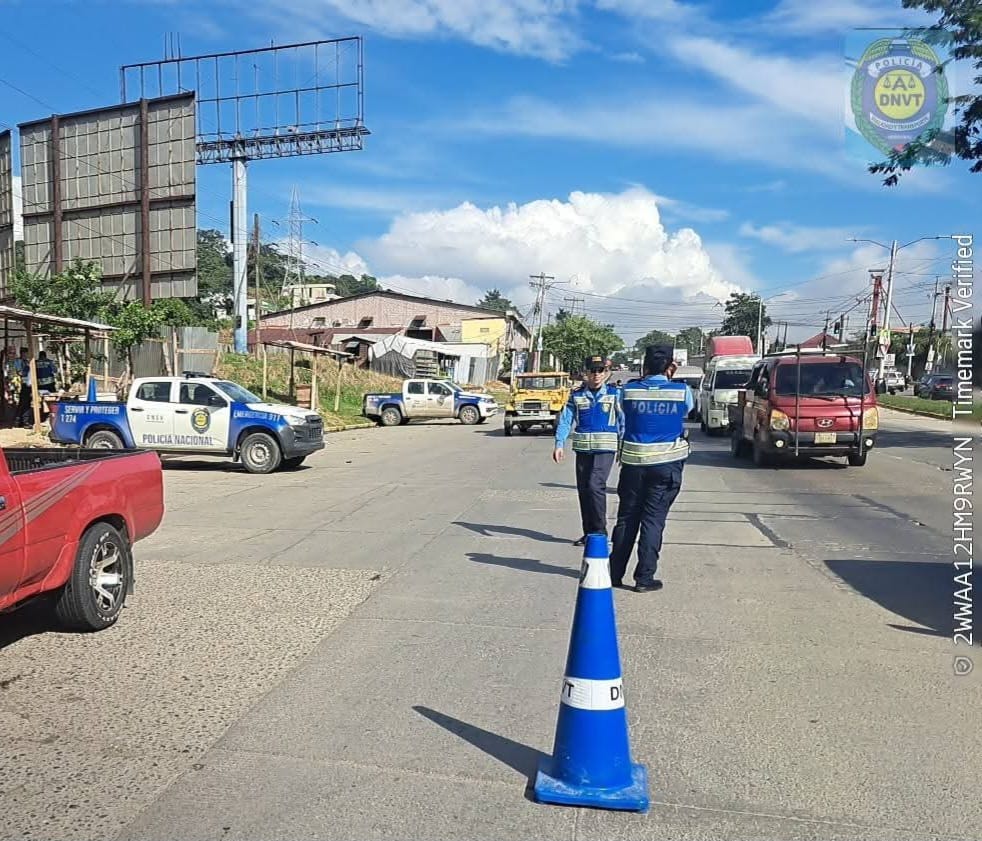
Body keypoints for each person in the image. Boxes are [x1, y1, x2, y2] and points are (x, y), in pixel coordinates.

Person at [609, 344, 694, 592]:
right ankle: (644, 579)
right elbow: (687, 411)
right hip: (666, 466)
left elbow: (622, 413)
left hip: (634, 465)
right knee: (653, 521)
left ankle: (614, 574)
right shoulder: (681, 391)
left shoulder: (628, 391)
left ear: (644, 366)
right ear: (671, 366)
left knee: (626, 518)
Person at [553, 354, 623, 547]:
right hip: (583, 450)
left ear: (606, 373)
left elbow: (623, 421)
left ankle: (600, 532)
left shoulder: (615, 394)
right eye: (593, 371)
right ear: (585, 373)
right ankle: (589, 533)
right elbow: (566, 420)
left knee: (595, 486)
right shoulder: (576, 396)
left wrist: (622, 447)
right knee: (584, 490)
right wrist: (559, 444)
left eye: (600, 371)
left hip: (605, 449)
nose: (596, 375)